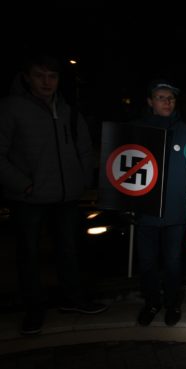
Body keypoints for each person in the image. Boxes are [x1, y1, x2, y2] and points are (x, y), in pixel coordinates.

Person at [0, 54, 107, 335]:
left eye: (52, 76)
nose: (47, 82)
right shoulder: (11, 108)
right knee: (29, 256)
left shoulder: (68, 110)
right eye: (39, 75)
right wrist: (23, 184)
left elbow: (84, 148)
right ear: (27, 76)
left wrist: (82, 179)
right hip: (29, 198)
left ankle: (74, 300)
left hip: (67, 196)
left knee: (69, 251)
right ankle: (33, 311)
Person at [135, 80, 186, 327]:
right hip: (145, 213)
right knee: (147, 262)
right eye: (161, 97)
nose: (167, 102)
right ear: (150, 101)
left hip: (176, 214)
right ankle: (152, 302)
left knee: (173, 263)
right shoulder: (136, 130)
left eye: (171, 98)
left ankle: (172, 304)